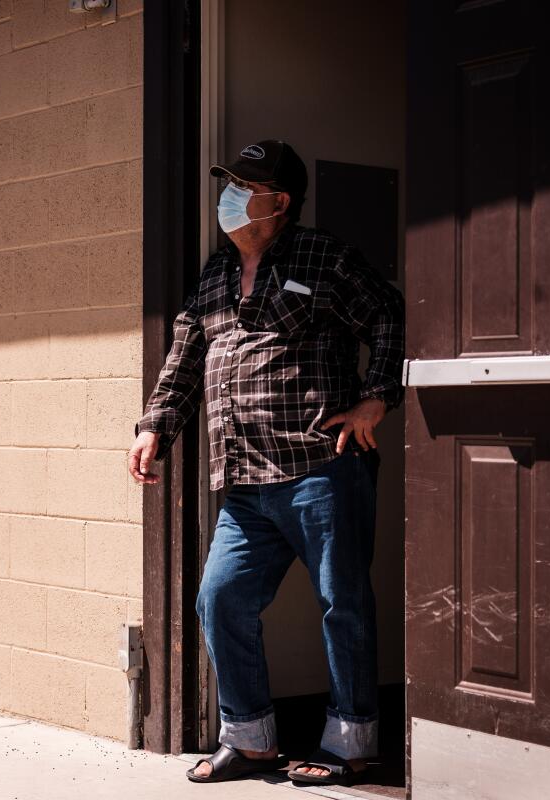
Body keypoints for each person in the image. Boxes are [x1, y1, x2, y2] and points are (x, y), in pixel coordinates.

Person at [127, 140, 404, 786]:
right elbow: (185, 360)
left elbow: (388, 314)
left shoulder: (324, 257)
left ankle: (351, 742)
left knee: (344, 605)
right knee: (218, 598)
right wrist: (153, 428)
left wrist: (376, 398)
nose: (228, 195)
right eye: (228, 182)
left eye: (243, 186)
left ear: (278, 202)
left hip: (321, 469)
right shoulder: (216, 275)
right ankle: (249, 739)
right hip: (246, 484)